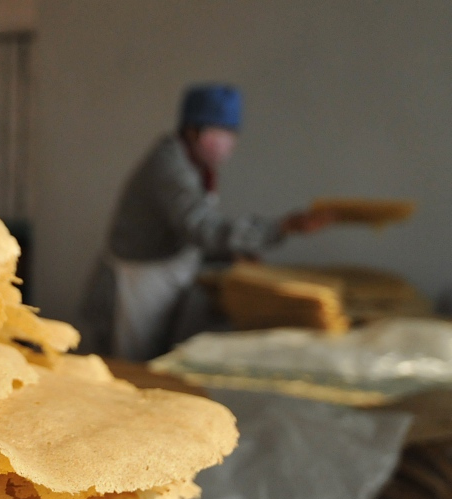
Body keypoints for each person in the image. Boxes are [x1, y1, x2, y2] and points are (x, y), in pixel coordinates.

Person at [78, 84, 333, 360]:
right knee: (131, 363)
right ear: (192, 131)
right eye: (220, 133)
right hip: (141, 281)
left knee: (155, 358)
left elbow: (194, 232)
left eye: (232, 133)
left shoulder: (198, 168)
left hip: (166, 273)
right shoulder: (169, 167)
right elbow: (202, 229)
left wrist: (230, 255)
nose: (229, 142)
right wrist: (280, 227)